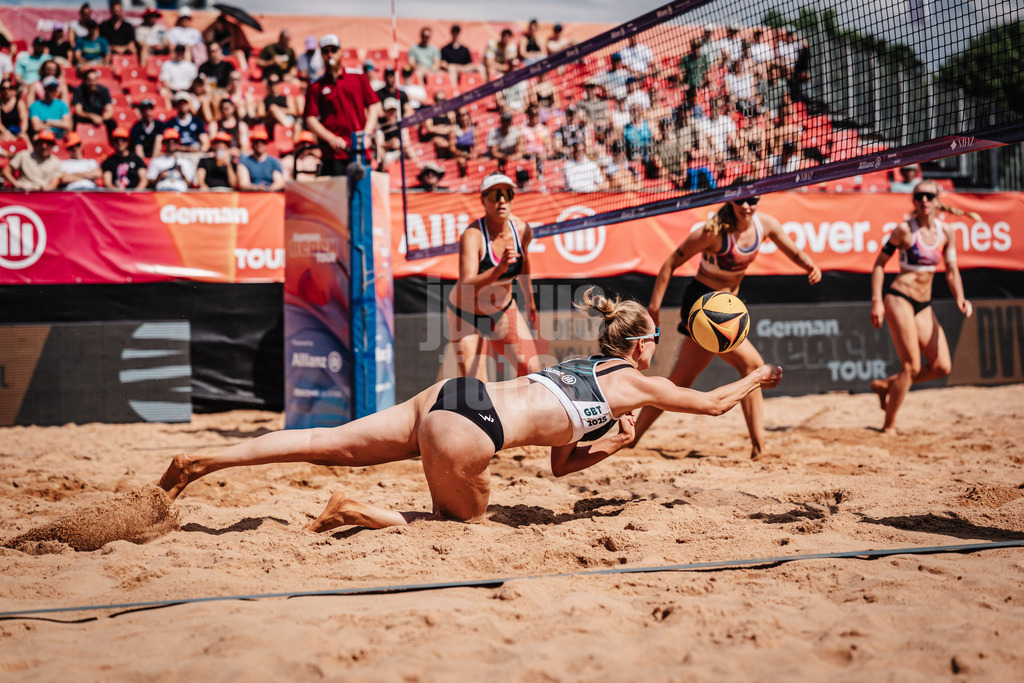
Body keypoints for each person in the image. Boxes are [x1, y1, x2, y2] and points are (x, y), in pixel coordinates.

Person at [158, 287, 784, 529]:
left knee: (323, 441)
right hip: (472, 430)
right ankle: (355, 510)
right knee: (460, 527)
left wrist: (612, 446)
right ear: (642, 343)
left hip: (455, 397)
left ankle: (200, 462)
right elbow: (709, 404)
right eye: (656, 341)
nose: (659, 349)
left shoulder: (586, 372)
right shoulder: (638, 384)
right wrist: (758, 372)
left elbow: (561, 467)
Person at [635, 191, 821, 457]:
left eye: (753, 200)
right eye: (740, 200)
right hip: (704, 306)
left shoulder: (764, 225)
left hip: (726, 307)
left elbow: (790, 248)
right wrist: (654, 307)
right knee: (753, 366)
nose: (746, 206)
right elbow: (670, 263)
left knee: (680, 380)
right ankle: (760, 447)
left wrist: (809, 265)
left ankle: (632, 436)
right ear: (731, 201)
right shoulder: (713, 232)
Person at [869, 181, 976, 433]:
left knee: (942, 366)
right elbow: (878, 265)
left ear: (938, 200)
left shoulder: (946, 232)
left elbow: (951, 271)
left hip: (923, 303)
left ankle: (887, 385)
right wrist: (876, 301)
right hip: (899, 297)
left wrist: (960, 297)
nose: (924, 201)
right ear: (914, 202)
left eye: (929, 196)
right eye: (919, 197)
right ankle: (889, 426)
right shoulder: (904, 231)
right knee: (911, 366)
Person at [447, 173, 539, 381]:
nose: (502, 200)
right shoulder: (473, 235)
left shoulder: (523, 230)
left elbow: (524, 264)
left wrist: (530, 302)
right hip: (466, 314)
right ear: (483, 200)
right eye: (495, 195)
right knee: (477, 386)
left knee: (532, 372)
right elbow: (466, 283)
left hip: (502, 310)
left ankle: (515, 413)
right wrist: (499, 269)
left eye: (507, 194)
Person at [304, 34, 381, 177]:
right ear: (321, 55)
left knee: (361, 195)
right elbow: (310, 119)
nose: (330, 54)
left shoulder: (357, 76)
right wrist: (331, 138)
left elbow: (373, 106)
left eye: (333, 49)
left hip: (359, 150)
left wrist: (367, 134)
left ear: (340, 51)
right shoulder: (316, 85)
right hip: (332, 154)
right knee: (336, 197)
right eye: (325, 51)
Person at [71, 68, 114, 136]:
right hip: (84, 117)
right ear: (84, 81)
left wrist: (102, 118)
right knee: (73, 120)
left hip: (99, 117)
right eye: (89, 80)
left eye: (94, 80)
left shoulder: (104, 91)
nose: (92, 83)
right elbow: (78, 111)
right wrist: (92, 116)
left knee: (112, 123)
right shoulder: (79, 90)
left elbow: (110, 111)